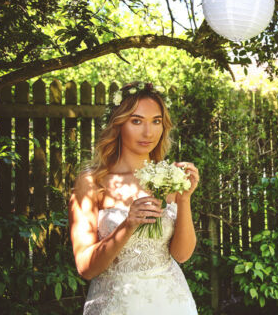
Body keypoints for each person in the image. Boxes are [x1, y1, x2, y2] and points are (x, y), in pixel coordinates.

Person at [69, 81, 199, 315]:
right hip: (117, 305)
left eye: (156, 121)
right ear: (118, 124)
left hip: (172, 303)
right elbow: (86, 268)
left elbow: (182, 255)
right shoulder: (93, 183)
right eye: (136, 121)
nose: (148, 132)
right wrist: (127, 224)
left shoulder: (168, 177)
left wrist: (185, 199)